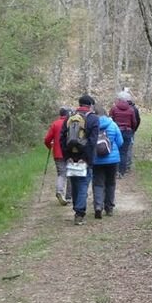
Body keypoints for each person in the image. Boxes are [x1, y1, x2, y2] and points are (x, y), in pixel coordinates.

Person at [63, 94, 100, 225]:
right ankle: (79, 213)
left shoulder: (70, 117)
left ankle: (76, 209)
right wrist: (86, 158)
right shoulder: (94, 119)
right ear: (90, 105)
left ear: (79, 104)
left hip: (71, 158)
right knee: (83, 184)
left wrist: (67, 157)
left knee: (74, 184)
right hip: (85, 158)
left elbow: (62, 138)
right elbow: (93, 141)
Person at [91, 106, 124, 219]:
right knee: (110, 183)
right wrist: (113, 148)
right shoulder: (113, 125)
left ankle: (98, 206)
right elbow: (120, 142)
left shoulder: (92, 125)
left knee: (98, 183)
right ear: (106, 114)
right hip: (112, 159)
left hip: (96, 159)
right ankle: (109, 208)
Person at [43, 106, 73, 206]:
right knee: (70, 173)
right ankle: (69, 196)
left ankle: (60, 191)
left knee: (61, 174)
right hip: (70, 152)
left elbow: (47, 139)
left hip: (58, 152)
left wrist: (50, 146)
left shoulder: (55, 124)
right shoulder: (71, 123)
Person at [109, 92, 138, 176]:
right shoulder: (131, 109)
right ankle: (122, 172)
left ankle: (115, 170)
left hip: (116, 131)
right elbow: (134, 122)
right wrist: (132, 130)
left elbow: (110, 120)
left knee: (115, 150)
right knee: (124, 152)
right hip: (127, 131)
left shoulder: (114, 109)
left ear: (119, 99)